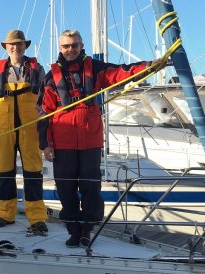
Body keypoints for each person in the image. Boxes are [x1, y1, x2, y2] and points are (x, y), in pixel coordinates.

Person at [37, 29, 161, 248]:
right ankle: (73, 230)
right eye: (66, 46)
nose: (70, 50)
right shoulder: (50, 77)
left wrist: (150, 66)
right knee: (65, 188)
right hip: (63, 140)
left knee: (91, 188)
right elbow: (43, 112)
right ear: (60, 48)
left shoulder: (95, 68)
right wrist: (45, 144)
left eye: (74, 45)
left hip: (90, 140)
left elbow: (122, 73)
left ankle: (87, 229)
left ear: (81, 45)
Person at [0, 30, 48, 235]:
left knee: (33, 173)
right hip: (3, 129)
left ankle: (37, 218)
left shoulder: (38, 70)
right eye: (11, 45)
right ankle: (6, 214)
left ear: (25, 46)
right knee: (5, 172)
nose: (15, 48)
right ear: (6, 47)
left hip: (30, 129)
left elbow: (46, 100)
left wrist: (46, 129)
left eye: (18, 44)